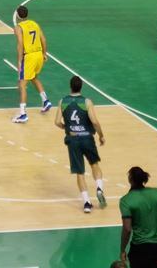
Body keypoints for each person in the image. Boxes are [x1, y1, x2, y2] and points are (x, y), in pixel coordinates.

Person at [55, 75, 107, 213]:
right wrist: (101, 136)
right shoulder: (87, 102)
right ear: (81, 87)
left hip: (73, 140)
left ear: (70, 86)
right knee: (94, 164)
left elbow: (57, 122)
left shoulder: (62, 102)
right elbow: (95, 122)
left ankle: (87, 203)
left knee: (80, 172)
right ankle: (99, 188)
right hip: (87, 138)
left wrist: (66, 128)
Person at [119, 167, 157, 268]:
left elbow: (127, 229)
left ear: (130, 179)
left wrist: (123, 249)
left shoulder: (126, 200)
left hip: (141, 246)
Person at [12, 5, 53, 123]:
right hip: (39, 54)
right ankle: (46, 101)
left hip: (29, 56)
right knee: (34, 77)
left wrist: (19, 61)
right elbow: (43, 39)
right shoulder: (35, 24)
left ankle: (23, 114)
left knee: (22, 83)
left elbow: (20, 44)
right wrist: (45, 54)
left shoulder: (18, 27)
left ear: (18, 16)